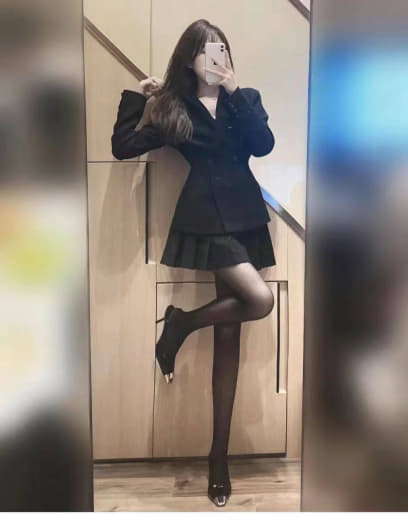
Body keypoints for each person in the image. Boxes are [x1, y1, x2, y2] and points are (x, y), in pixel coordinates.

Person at [111, 18, 276, 508]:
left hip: (246, 218)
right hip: (206, 220)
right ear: (189, 58)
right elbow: (122, 148)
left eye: (220, 48)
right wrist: (140, 99)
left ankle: (217, 457)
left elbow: (264, 145)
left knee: (229, 339)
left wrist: (235, 89)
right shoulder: (175, 108)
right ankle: (179, 325)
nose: (213, 57)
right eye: (204, 50)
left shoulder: (245, 99)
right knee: (260, 300)